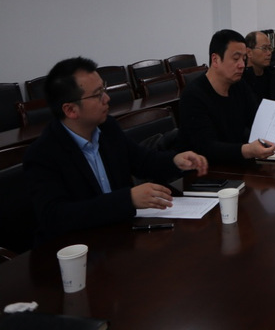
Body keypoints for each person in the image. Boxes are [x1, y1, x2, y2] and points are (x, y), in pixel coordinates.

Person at [24, 57, 208, 244]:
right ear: (71, 110)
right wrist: (127, 199)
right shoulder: (43, 154)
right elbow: (56, 216)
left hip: (120, 236)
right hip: (76, 247)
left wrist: (175, 160)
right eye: (98, 94)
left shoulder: (107, 128)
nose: (107, 98)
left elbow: (143, 161)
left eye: (104, 89)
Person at [179, 29, 275, 164]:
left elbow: (256, 120)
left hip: (237, 164)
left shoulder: (239, 85)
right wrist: (247, 150)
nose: (242, 65)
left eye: (244, 59)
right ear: (215, 60)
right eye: (236, 59)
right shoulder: (193, 96)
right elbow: (206, 147)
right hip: (207, 170)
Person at [243, 30, 275, 102]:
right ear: (249, 52)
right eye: (264, 48)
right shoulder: (241, 81)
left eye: (270, 48)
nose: (269, 53)